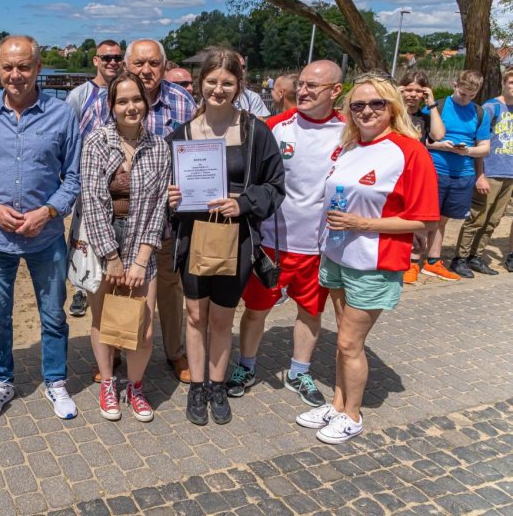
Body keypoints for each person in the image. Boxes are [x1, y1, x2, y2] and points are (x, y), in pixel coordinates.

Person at [297, 73, 438, 443]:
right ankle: (338, 403)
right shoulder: (350, 146)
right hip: (337, 254)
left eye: (377, 103)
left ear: (392, 107)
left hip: (375, 262)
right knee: (345, 340)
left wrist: (363, 223)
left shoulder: (410, 151)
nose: (367, 111)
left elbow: (425, 219)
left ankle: (353, 414)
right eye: (358, 105)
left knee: (348, 342)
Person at [168, 48, 285, 426]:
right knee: (194, 314)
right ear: (200, 83)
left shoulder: (256, 132)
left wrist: (244, 203)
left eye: (227, 83)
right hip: (193, 236)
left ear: (239, 86)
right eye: (211, 81)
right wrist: (172, 199)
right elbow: (167, 192)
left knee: (221, 317)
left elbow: (275, 186)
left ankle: (217, 385)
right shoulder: (182, 135)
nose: (218, 89)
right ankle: (196, 386)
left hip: (236, 237)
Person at [0, 35, 81, 421]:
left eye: (24, 67)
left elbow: (73, 177)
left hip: (45, 237)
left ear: (38, 68)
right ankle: (1, 381)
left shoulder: (62, 114)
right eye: (7, 67)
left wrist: (48, 212)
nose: (15, 75)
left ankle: (56, 381)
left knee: (53, 314)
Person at [232, 60, 346, 408]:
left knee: (310, 312)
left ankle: (299, 371)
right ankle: (246, 366)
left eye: (313, 86)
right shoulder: (276, 127)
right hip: (272, 244)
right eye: (302, 85)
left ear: (336, 91)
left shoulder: (350, 131)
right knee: (255, 310)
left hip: (319, 247)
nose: (304, 91)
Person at [82, 39, 195, 384]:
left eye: (154, 63)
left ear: (164, 65)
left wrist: (189, 189)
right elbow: (88, 174)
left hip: (161, 221)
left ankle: (174, 352)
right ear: (127, 66)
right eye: (139, 63)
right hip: (110, 227)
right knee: (110, 299)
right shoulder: (98, 111)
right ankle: (112, 357)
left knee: (168, 291)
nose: (147, 70)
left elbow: (197, 152)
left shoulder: (182, 101)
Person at [81, 71, 171, 422]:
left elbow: (159, 205)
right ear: (111, 105)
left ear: (146, 103)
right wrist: (111, 257)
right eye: (122, 101)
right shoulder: (97, 142)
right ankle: (107, 382)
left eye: (137, 99)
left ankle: (135, 385)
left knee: (143, 327)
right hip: (103, 241)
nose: (131, 107)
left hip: (142, 242)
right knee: (104, 319)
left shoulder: (159, 147)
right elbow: (92, 200)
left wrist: (141, 259)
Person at [66, 40, 123, 319]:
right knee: (85, 236)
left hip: (119, 179)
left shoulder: (124, 89)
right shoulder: (80, 95)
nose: (112, 62)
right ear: (96, 60)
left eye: (117, 58)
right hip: (88, 177)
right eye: (107, 57)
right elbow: (68, 136)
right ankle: (81, 289)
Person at [422, 70, 490, 281]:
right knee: (424, 218)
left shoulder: (479, 113)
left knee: (442, 220)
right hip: (434, 170)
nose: (465, 99)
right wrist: (440, 146)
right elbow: (422, 138)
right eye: (462, 93)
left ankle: (432, 261)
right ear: (455, 85)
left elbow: (485, 148)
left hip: (462, 174)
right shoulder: (438, 106)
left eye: (471, 95)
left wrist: (467, 151)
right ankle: (412, 260)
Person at [452, 67, 513, 277]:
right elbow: (479, 143)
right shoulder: (491, 108)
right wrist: (481, 175)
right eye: (511, 82)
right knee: (477, 218)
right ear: (504, 83)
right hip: (490, 172)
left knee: (493, 220)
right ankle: (460, 258)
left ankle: (476, 256)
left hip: (509, 174)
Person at [398, 71, 445, 284]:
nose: (413, 94)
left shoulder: (424, 118)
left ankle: (413, 262)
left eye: (418, 91)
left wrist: (432, 104)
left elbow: (438, 135)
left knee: (418, 218)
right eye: (408, 89)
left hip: (415, 173)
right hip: (394, 172)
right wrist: (395, 97)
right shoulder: (392, 113)